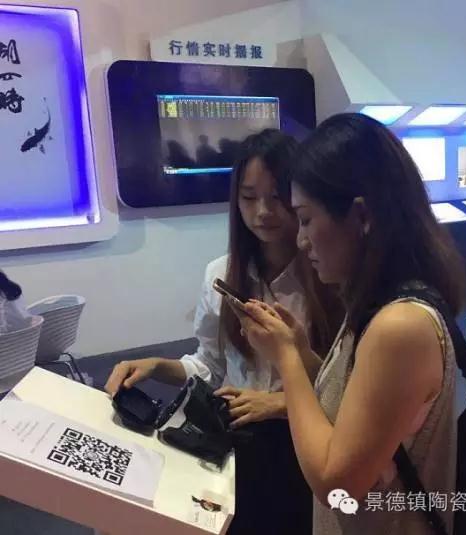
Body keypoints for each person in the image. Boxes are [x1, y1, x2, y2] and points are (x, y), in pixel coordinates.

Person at [238, 113, 466, 535]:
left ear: (361, 216)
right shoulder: (376, 303)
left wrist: (286, 359)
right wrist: (299, 348)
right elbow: (349, 407)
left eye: (306, 219)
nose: (301, 239)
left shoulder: (400, 326)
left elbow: (337, 483)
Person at [105, 128, 340, 535]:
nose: (263, 211)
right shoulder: (222, 273)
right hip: (236, 446)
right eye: (249, 197)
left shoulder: (327, 276)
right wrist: (157, 366)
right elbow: (210, 367)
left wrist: (278, 403)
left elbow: (344, 385)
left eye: (277, 197)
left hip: (306, 449)